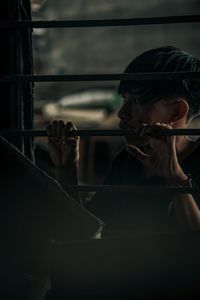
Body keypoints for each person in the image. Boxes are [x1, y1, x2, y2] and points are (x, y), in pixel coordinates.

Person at [47, 46, 200, 237]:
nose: (122, 113)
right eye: (124, 99)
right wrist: (67, 170)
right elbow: (87, 233)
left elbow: (194, 253)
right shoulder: (128, 160)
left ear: (176, 111)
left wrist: (175, 178)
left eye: (136, 100)